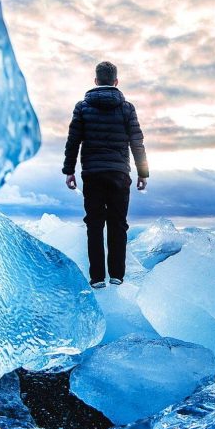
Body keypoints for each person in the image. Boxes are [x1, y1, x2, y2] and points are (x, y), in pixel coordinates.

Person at [62, 61, 149, 289]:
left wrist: (69, 170)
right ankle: (117, 275)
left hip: (92, 174)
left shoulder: (82, 107)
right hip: (119, 173)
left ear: (96, 81)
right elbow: (136, 142)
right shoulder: (127, 108)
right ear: (116, 81)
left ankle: (97, 278)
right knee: (118, 224)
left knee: (94, 225)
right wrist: (143, 172)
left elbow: (73, 141)